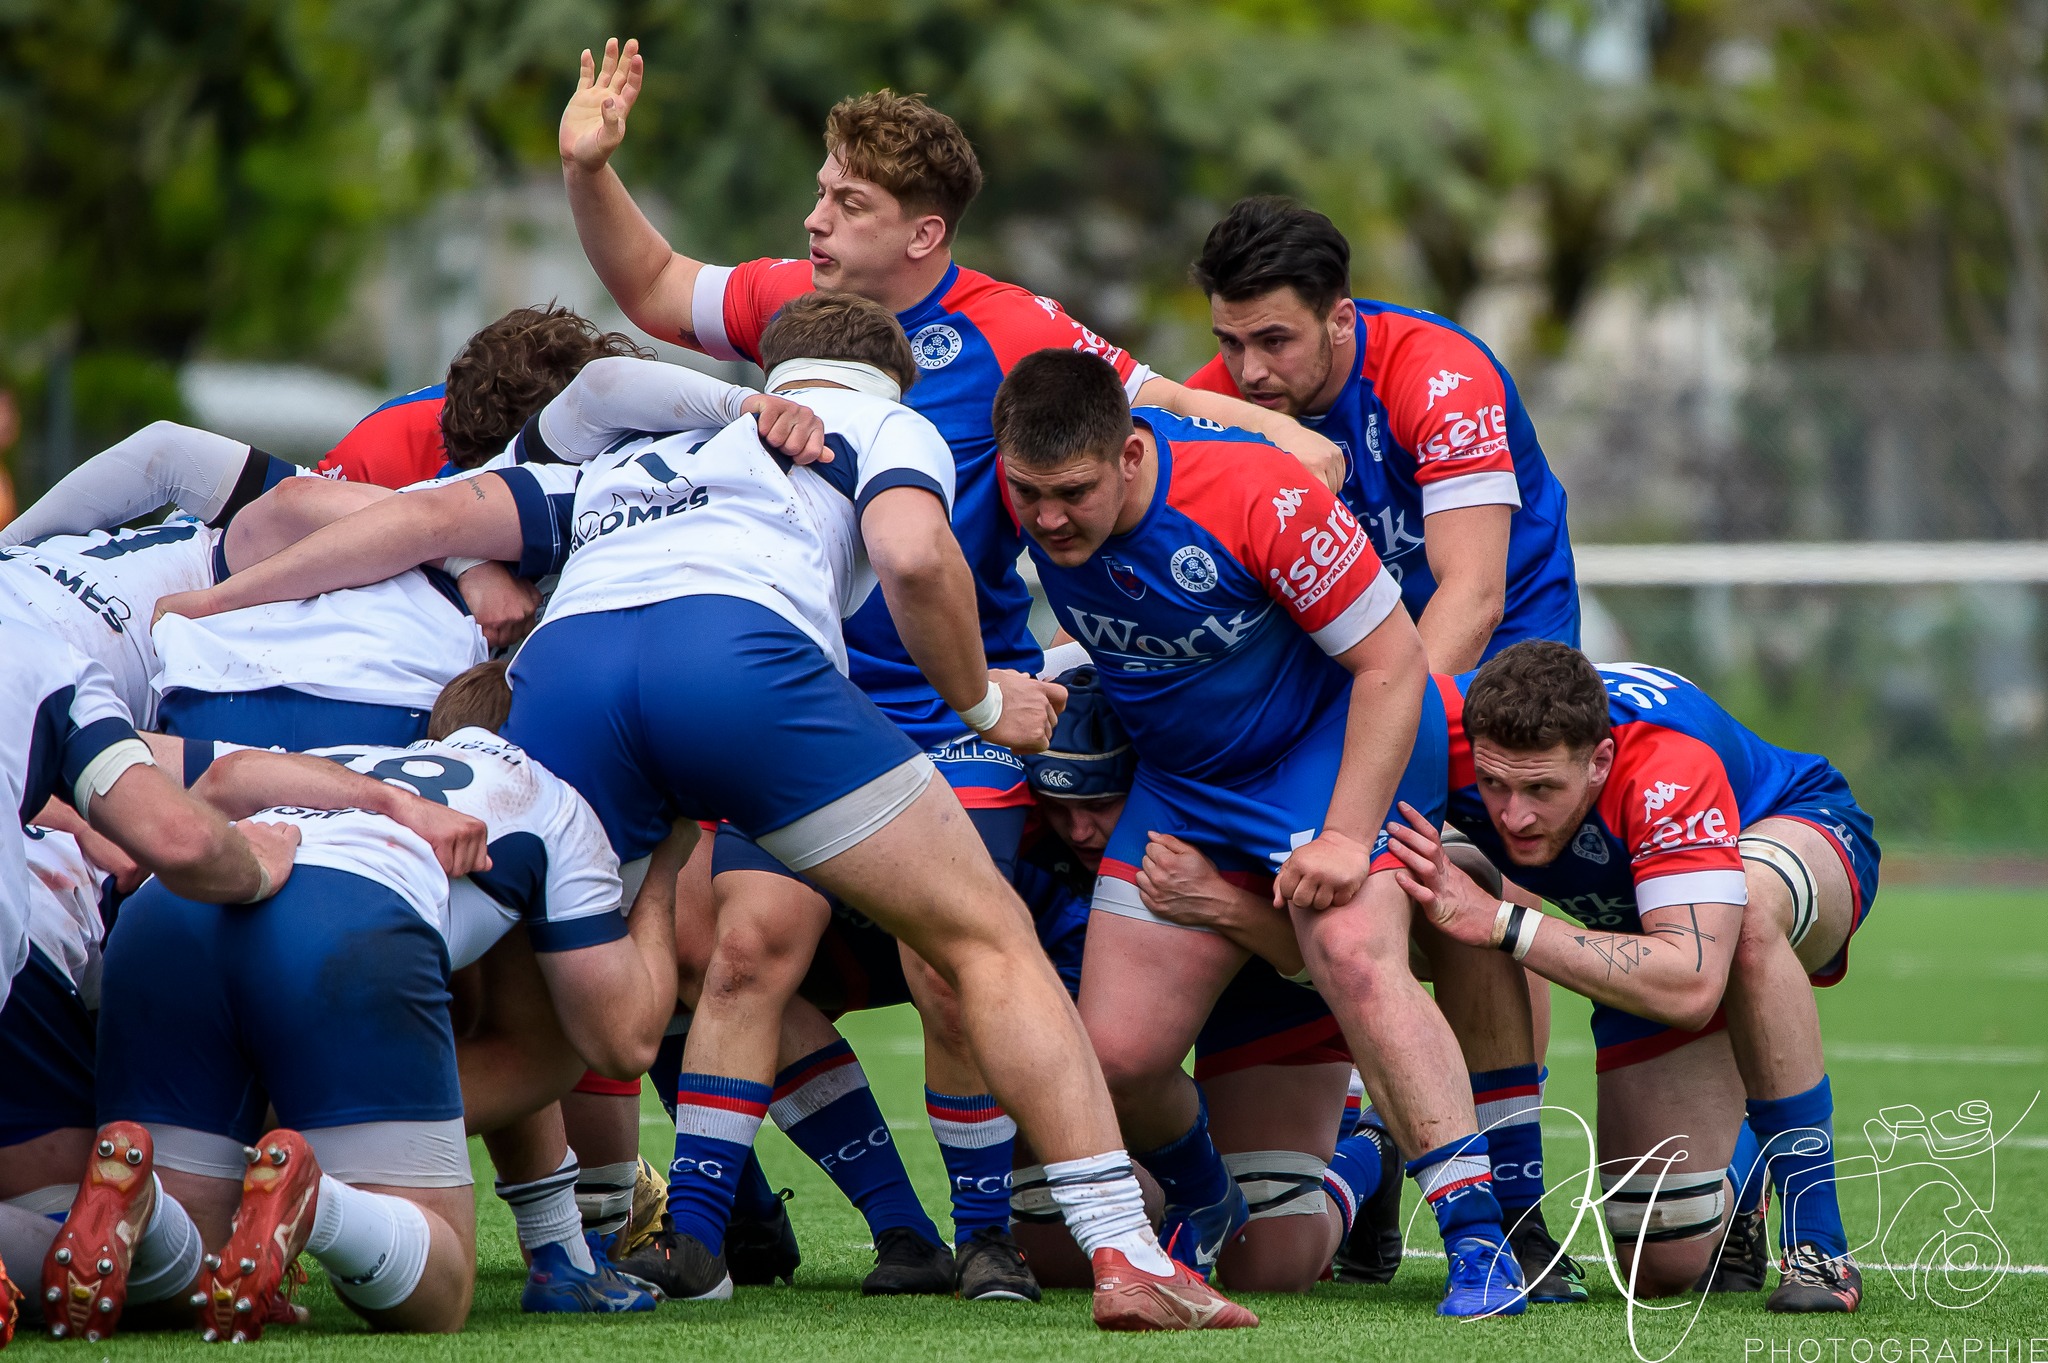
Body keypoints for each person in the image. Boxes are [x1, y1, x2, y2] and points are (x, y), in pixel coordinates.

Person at [144, 301, 1258, 1330]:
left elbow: (425, 518)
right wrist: (980, 702)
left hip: (566, 679)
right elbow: (915, 554)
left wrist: (209, 600)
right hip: (738, 662)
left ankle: (280, 1171)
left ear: (771, 374)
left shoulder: (635, 449)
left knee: (559, 1024)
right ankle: (1127, 1254)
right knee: (983, 938)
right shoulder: (882, 424)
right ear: (891, 379)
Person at [994, 348, 1529, 1318]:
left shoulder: (1257, 495)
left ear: (1129, 454)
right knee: (1115, 1058)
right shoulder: (1017, 484)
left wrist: (1345, 836)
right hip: (1184, 782)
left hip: (1322, 752)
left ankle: (1478, 1236)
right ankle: (1204, 1201)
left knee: (1352, 952)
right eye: (1029, 494)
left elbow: (1395, 663)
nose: (1049, 518)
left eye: (1072, 493)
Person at [1187, 196, 1591, 1294]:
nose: (1249, 370)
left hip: (1491, 672)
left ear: (1340, 317)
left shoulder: (1438, 377)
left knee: (1475, 903)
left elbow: (1471, 590)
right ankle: (1375, 1152)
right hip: (1355, 684)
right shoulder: (1227, 398)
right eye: (1228, 342)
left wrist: (1370, 749)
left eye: (1273, 339)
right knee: (1347, 902)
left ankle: (1515, 1207)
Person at [1383, 641, 1878, 1313]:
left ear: (1600, 761)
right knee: (1658, 1261)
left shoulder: (1667, 765)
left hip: (1788, 825)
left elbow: (1692, 982)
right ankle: (1734, 1176)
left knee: (1748, 916)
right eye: (1495, 785)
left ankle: (1819, 1247)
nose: (1513, 814)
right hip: (1650, 922)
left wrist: (1502, 922)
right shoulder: (1434, 726)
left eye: (1541, 789)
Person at [1007, 669, 1377, 1295]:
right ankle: (1195, 1186)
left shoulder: (1249, 792)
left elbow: (1352, 966)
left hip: (1264, 998)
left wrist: (1221, 905)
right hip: (1114, 1046)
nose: (1078, 831)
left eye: (1099, 805)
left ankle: (1369, 1151)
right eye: (1060, 809)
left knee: (1268, 1266)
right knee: (1057, 1250)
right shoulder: (1016, 832)